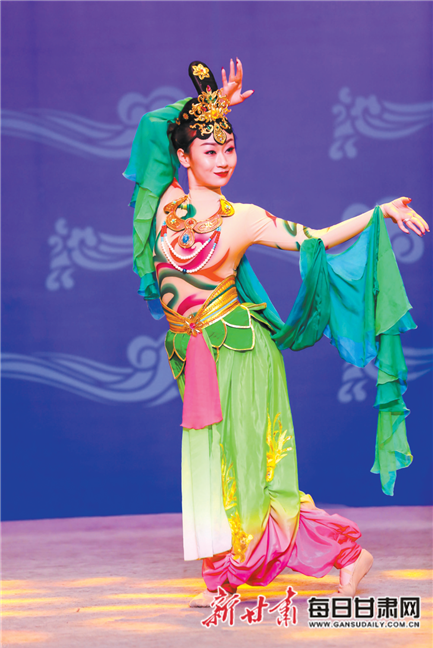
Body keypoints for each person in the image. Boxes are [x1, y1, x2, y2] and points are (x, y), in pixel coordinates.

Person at [124, 60, 429, 607]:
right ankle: (227, 571)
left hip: (239, 349)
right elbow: (152, 127)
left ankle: (343, 554)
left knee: (249, 463)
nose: (223, 160)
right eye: (209, 150)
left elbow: (318, 237)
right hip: (192, 352)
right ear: (184, 156)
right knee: (217, 461)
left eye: (229, 149)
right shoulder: (166, 204)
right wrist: (213, 103)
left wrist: (378, 213)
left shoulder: (243, 217)